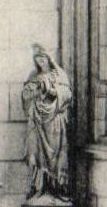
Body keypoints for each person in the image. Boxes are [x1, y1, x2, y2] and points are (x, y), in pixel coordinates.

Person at [22, 45, 72, 198]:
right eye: (37, 58)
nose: (40, 61)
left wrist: (51, 91)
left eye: (42, 57)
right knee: (35, 152)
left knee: (56, 156)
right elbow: (25, 95)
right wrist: (35, 90)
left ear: (49, 58)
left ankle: (56, 187)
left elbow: (67, 95)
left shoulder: (59, 75)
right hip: (37, 121)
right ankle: (38, 187)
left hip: (54, 121)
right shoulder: (33, 75)